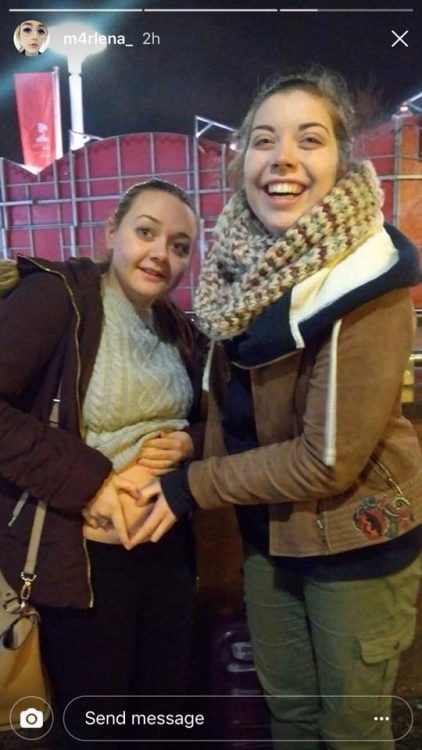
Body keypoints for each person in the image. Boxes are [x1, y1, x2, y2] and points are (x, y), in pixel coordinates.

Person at [132, 72, 422, 749]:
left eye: (309, 139)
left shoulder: (366, 277)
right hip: (271, 539)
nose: (283, 158)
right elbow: (234, 404)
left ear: (343, 160)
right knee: (287, 719)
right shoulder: (245, 267)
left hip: (357, 545)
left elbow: (326, 458)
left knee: (352, 730)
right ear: (242, 161)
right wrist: (187, 445)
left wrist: (191, 485)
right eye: (264, 140)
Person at [0, 179, 204, 745]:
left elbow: (215, 420)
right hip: (81, 558)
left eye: (180, 245)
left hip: (166, 554)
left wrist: (191, 444)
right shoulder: (58, 299)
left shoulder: (176, 328)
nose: (161, 254)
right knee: (95, 725)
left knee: (160, 718)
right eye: (146, 232)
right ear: (111, 232)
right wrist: (91, 484)